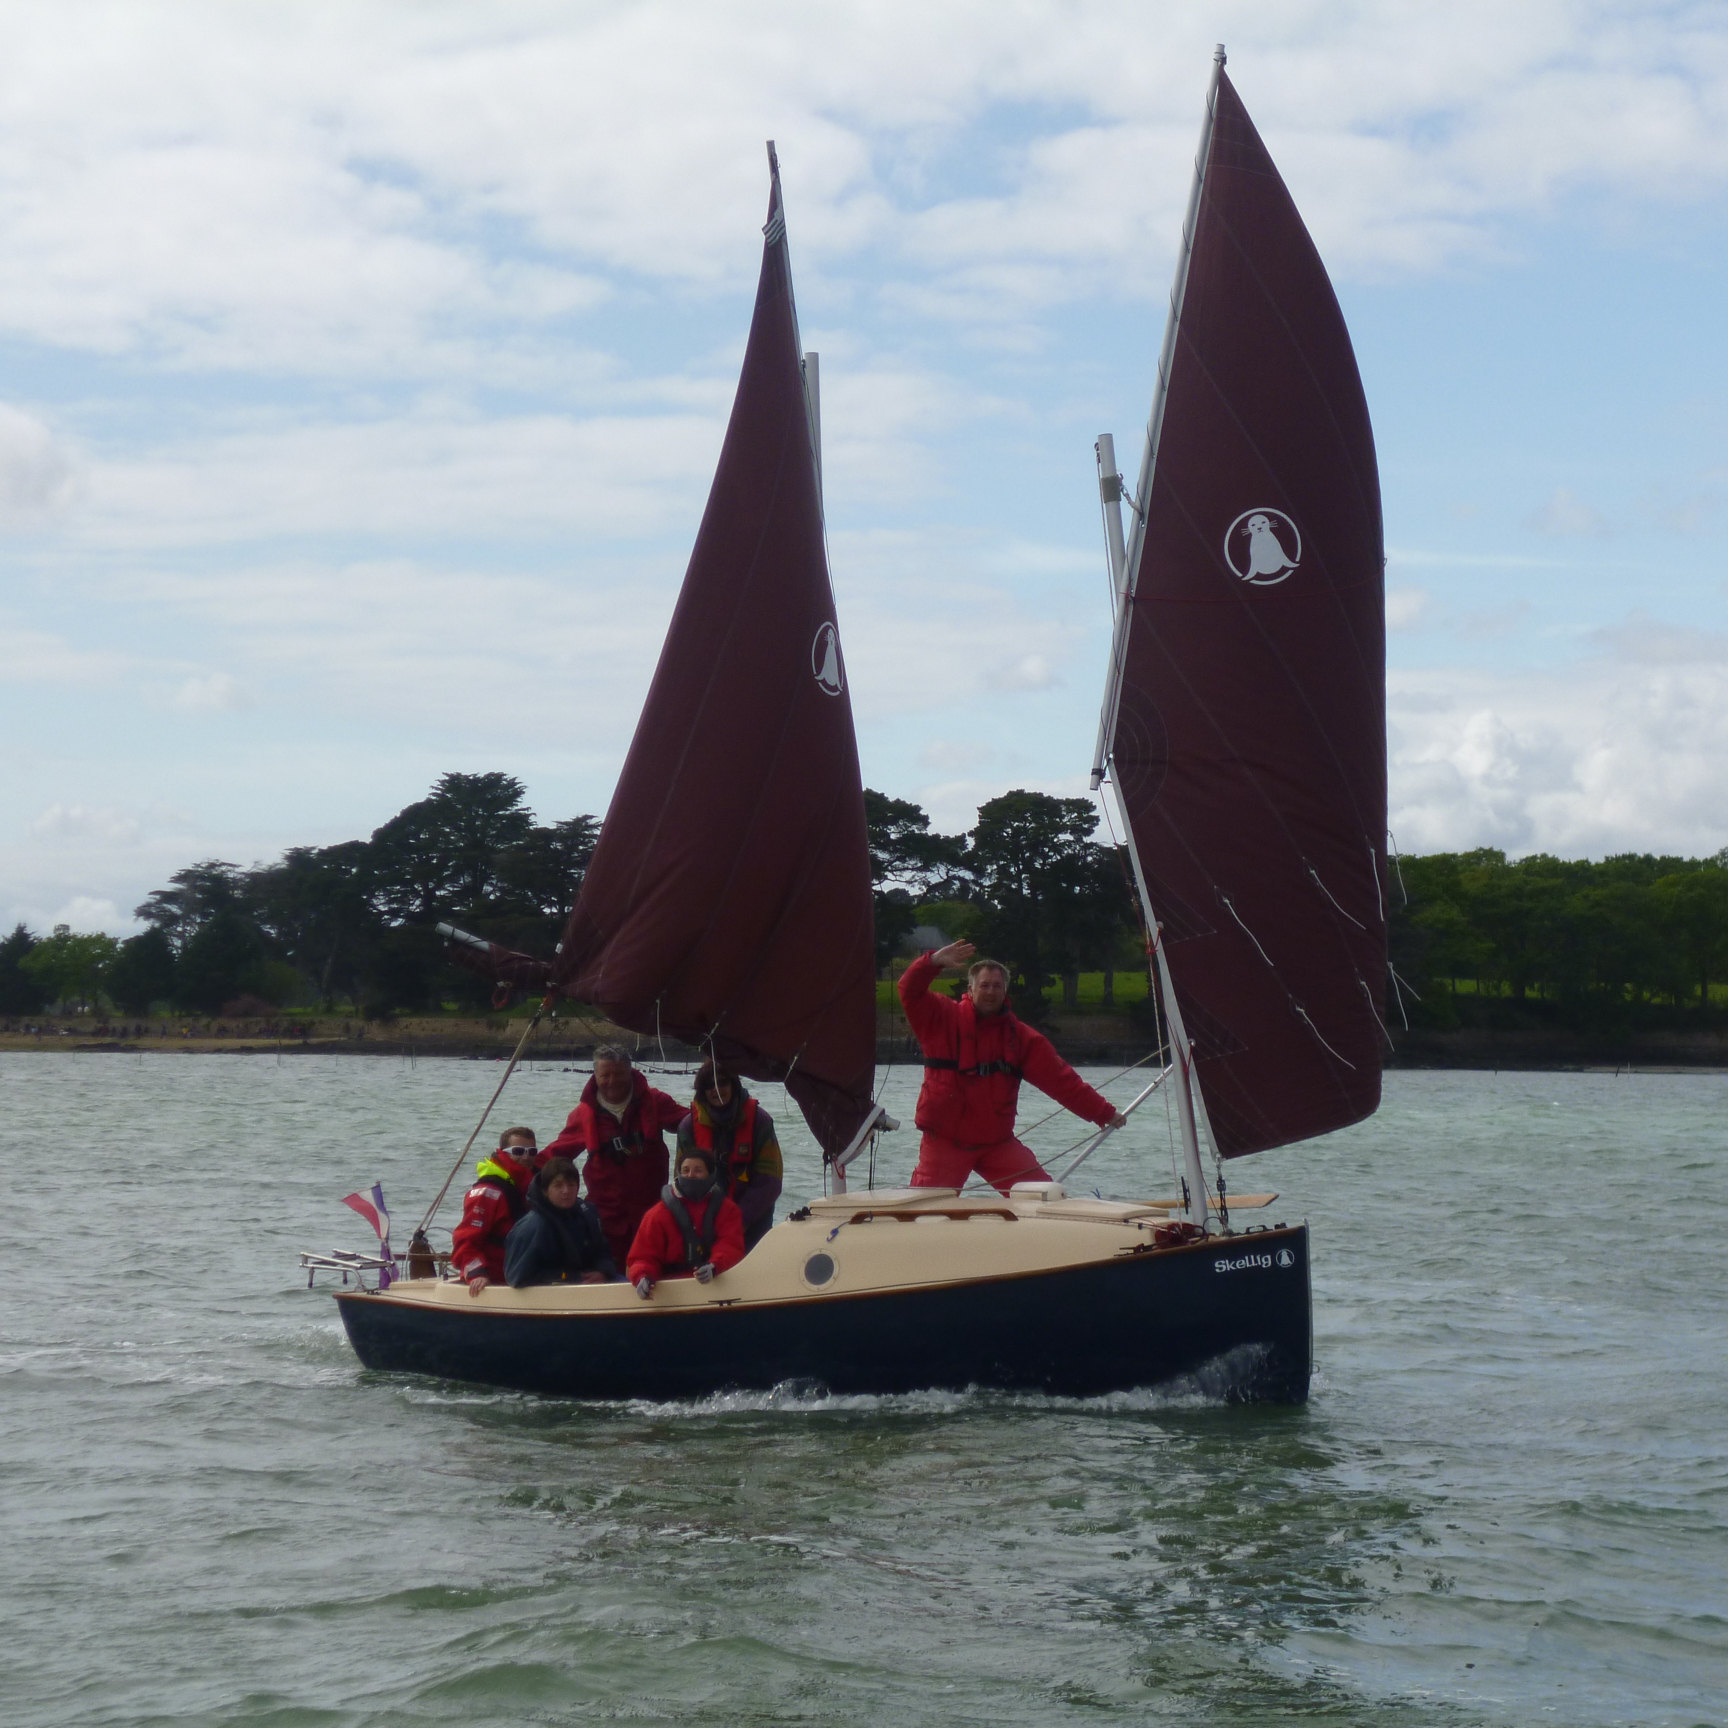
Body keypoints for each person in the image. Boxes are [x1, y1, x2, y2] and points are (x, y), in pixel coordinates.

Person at [898, 941, 1126, 1194]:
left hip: (996, 1145)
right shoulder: (939, 1018)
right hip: (945, 1142)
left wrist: (1104, 1113)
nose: (991, 992)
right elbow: (909, 990)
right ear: (970, 989)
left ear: (1005, 991)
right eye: (984, 985)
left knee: (1046, 1198)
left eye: (997, 986)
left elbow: (1063, 1082)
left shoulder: (1022, 1038)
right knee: (925, 1211)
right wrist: (931, 962)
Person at [543, 1045, 686, 1267]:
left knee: (655, 1265)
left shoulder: (655, 1101)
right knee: (608, 1268)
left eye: (618, 1074)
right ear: (595, 1076)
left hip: (651, 1211)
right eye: (605, 1075)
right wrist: (513, 1169)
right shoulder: (583, 1114)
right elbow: (555, 1154)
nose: (612, 1081)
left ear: (630, 1071)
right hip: (605, 1217)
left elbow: (692, 1122)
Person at [676, 1059, 782, 1250]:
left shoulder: (760, 1121)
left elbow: (770, 1181)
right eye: (709, 1085)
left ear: (734, 1083)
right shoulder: (688, 1126)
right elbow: (682, 1180)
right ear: (702, 1091)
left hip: (752, 1224)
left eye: (722, 1082)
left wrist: (737, 1221)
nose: (716, 1089)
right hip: (705, 1226)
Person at [626, 1147, 746, 1297]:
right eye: (686, 1170)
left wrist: (714, 1266)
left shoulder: (728, 1210)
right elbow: (643, 1256)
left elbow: (731, 1246)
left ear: (710, 1174)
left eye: (698, 1170)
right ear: (678, 1174)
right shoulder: (657, 1214)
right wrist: (642, 1276)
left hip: (715, 1284)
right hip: (671, 1290)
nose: (691, 1175)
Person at [450, 1126, 541, 1296]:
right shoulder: (487, 1193)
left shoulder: (536, 1186)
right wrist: (477, 1273)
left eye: (532, 1151)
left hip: (525, 1276)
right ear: (503, 1153)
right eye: (519, 1151)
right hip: (495, 1280)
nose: (526, 1157)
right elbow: (465, 1241)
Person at [504, 1156, 619, 1287]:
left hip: (592, 1281)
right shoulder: (533, 1226)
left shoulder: (588, 1213)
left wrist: (603, 1271)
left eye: (571, 1185)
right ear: (545, 1190)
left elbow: (602, 1251)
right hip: (555, 1289)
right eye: (558, 1186)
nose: (566, 1191)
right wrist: (569, 1277)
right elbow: (516, 1276)